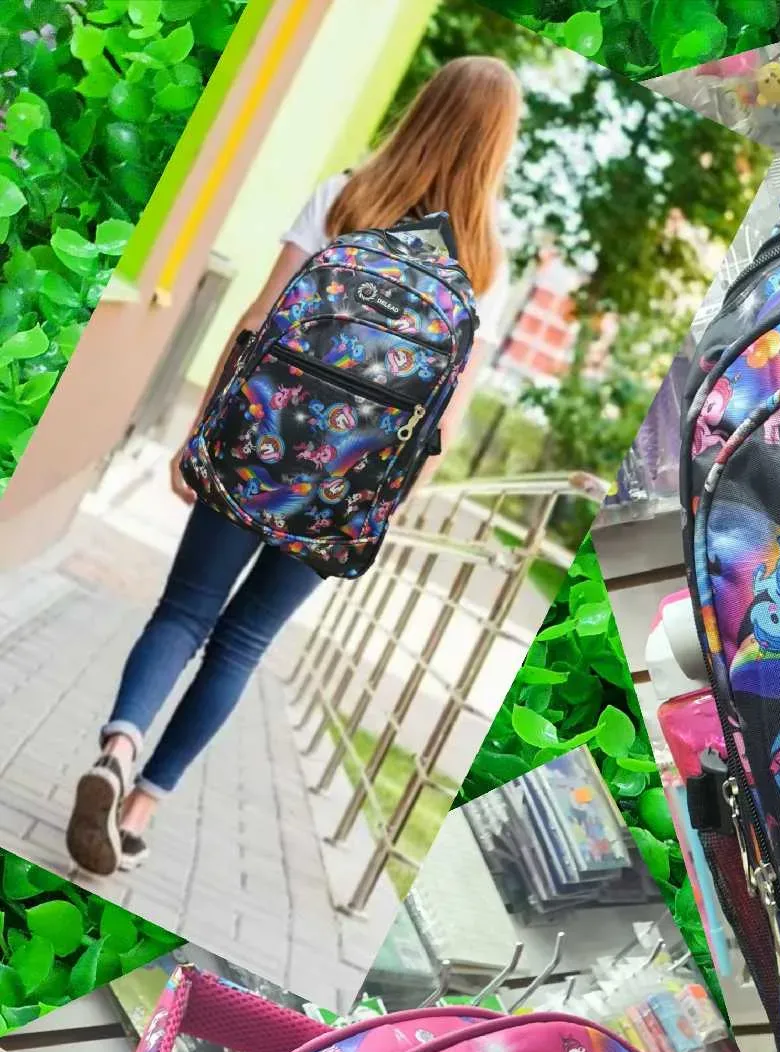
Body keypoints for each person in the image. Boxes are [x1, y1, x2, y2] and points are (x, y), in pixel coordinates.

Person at [66, 55, 519, 879]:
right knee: (241, 644)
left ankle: (118, 749)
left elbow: (256, 322)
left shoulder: (345, 196)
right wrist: (377, 512)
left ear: (424, 110)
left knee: (184, 612)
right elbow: (444, 424)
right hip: (348, 493)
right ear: (497, 145)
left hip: (257, 448)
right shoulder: (485, 263)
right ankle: (139, 812)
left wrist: (200, 436)